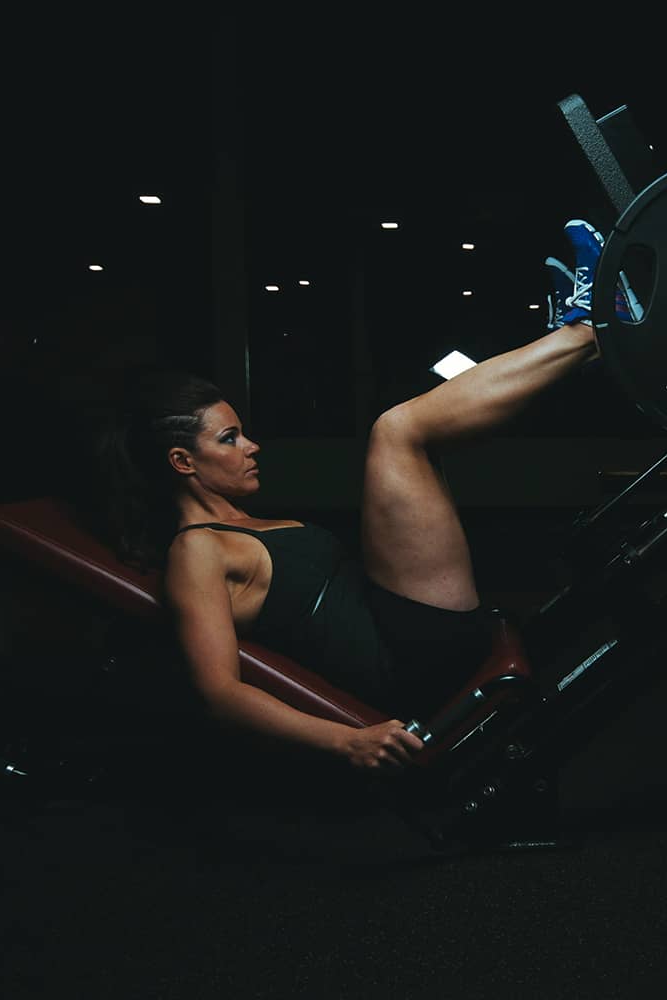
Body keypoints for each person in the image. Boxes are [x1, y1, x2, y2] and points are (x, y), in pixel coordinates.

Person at [95, 219, 606, 776]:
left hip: (406, 627)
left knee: (418, 443)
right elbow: (219, 693)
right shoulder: (195, 552)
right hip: (409, 660)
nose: (252, 446)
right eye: (229, 439)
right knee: (398, 432)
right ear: (182, 463)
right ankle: (587, 330)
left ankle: (577, 340)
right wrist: (347, 741)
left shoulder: (242, 525)